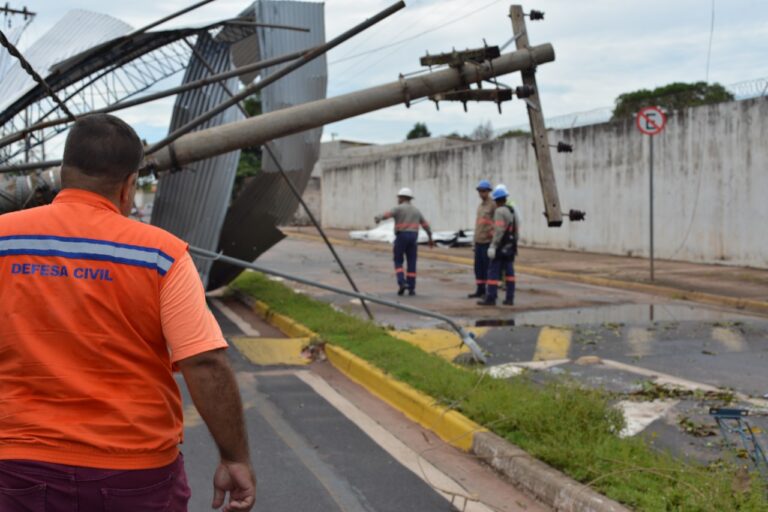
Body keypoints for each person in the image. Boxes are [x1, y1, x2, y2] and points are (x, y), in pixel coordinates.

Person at [0, 114, 255, 512]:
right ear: (128, 184)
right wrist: (235, 457)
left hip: (16, 467)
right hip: (135, 473)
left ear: (64, 173)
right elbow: (204, 362)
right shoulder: (161, 253)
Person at [374, 187, 433, 296]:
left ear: (401, 198)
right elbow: (425, 225)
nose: (398, 199)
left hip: (402, 236)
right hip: (414, 237)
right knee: (412, 261)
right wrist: (430, 238)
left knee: (398, 260)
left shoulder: (398, 208)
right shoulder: (416, 210)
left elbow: (387, 215)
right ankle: (411, 288)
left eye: (399, 197)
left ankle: (402, 282)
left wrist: (377, 218)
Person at [477, 184, 521, 307]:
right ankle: (510, 298)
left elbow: (499, 230)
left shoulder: (499, 211)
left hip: (501, 247)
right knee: (510, 274)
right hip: (510, 247)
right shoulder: (512, 210)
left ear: (496, 200)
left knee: (493, 273)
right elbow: (516, 229)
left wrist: (493, 246)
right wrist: (514, 244)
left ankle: (490, 298)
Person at [468, 179, 495, 298]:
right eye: (479, 191)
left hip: (487, 241)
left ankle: (489, 291)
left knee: (487, 268)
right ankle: (480, 290)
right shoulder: (480, 206)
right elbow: (478, 224)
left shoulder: (493, 205)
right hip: (479, 241)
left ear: (488, 191)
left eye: (483, 191)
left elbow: (496, 223)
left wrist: (493, 240)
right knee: (478, 268)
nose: (481, 193)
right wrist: (474, 242)